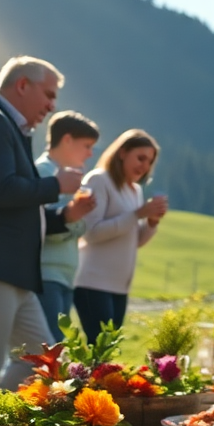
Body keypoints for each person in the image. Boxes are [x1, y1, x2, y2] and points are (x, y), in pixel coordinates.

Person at [0, 57, 91, 394]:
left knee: (43, 363)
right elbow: (2, 190)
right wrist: (56, 185)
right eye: (49, 95)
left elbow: (14, 207)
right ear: (23, 85)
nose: (52, 106)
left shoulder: (4, 126)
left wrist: (64, 217)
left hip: (10, 273)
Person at [74, 130, 166, 341]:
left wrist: (151, 222)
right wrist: (137, 214)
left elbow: (135, 241)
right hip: (93, 283)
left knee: (108, 353)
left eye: (149, 162)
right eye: (140, 158)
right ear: (122, 152)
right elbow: (91, 233)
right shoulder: (99, 180)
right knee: (100, 353)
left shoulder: (135, 190)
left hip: (119, 287)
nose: (144, 166)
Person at [35, 111, 100, 340]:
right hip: (45, 271)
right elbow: (37, 224)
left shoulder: (71, 179)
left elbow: (77, 224)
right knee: (47, 347)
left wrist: (77, 217)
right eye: (87, 145)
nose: (90, 153)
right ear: (67, 139)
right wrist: (71, 217)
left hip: (65, 273)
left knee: (56, 345)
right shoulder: (42, 173)